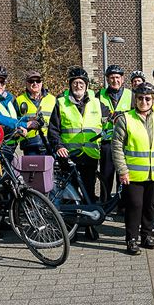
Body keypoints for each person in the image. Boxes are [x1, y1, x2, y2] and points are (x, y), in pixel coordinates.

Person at [111, 82, 154, 254]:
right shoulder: (126, 119)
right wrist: (122, 170)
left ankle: (146, 236)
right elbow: (117, 146)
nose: (144, 101)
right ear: (135, 99)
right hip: (133, 174)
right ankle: (131, 239)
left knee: (150, 206)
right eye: (140, 98)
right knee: (135, 205)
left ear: (153, 100)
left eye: (148, 98)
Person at [48, 66, 109, 240]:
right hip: (68, 155)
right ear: (70, 85)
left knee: (89, 192)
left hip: (89, 155)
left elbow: (110, 118)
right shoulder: (61, 102)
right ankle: (70, 229)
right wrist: (59, 146)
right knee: (70, 194)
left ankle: (90, 227)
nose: (78, 85)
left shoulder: (96, 102)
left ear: (87, 85)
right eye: (75, 83)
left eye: (81, 82)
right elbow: (53, 130)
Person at [97, 65, 133, 201]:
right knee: (106, 175)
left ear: (122, 79)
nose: (115, 80)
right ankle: (105, 203)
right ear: (107, 79)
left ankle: (122, 204)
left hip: (125, 141)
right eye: (111, 78)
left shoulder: (131, 95)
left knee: (123, 175)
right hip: (107, 141)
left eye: (117, 77)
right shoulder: (99, 95)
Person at [16, 70, 57, 155]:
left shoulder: (52, 99)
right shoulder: (19, 100)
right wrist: (27, 123)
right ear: (26, 83)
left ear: (42, 83)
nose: (35, 83)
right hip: (29, 144)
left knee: (49, 168)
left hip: (49, 143)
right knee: (31, 168)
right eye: (31, 81)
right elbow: (14, 120)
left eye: (38, 81)